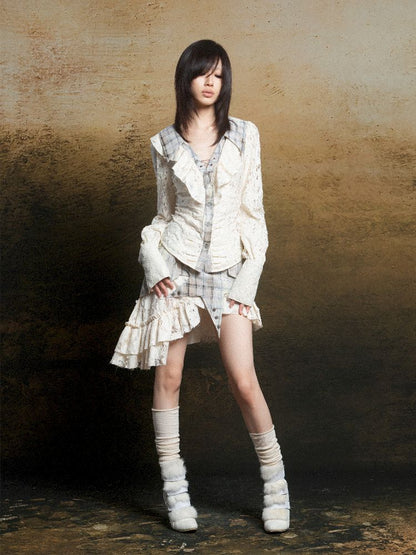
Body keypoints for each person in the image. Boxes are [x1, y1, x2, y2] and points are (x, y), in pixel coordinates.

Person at [111, 39, 290, 534]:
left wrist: (247, 280)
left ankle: (277, 488)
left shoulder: (246, 135)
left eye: (219, 75)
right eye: (202, 73)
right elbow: (164, 215)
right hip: (176, 268)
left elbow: (254, 215)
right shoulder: (164, 143)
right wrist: (152, 261)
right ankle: (175, 493)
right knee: (168, 380)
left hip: (231, 268)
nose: (211, 82)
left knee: (243, 380)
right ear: (185, 78)